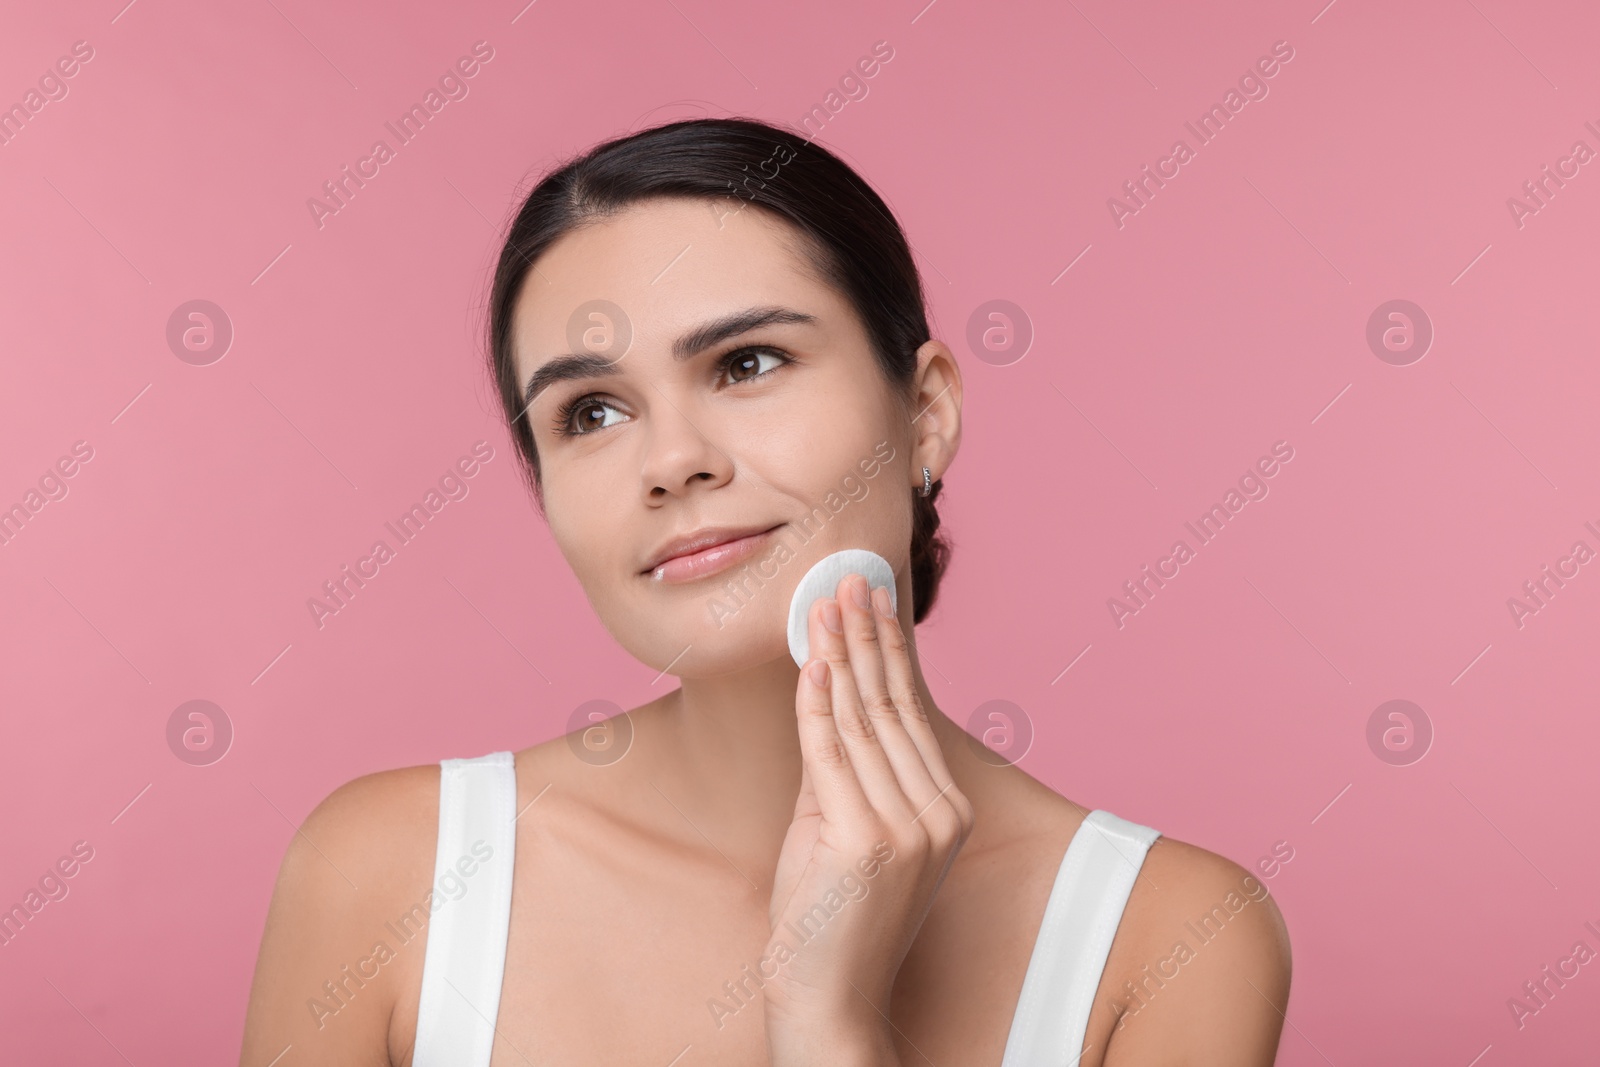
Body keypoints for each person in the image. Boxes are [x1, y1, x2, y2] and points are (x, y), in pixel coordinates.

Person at [239, 116, 1291, 1067]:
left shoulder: (1165, 937)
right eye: (592, 413)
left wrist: (829, 1023)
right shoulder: (391, 874)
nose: (672, 459)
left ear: (923, 413)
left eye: (746, 363)